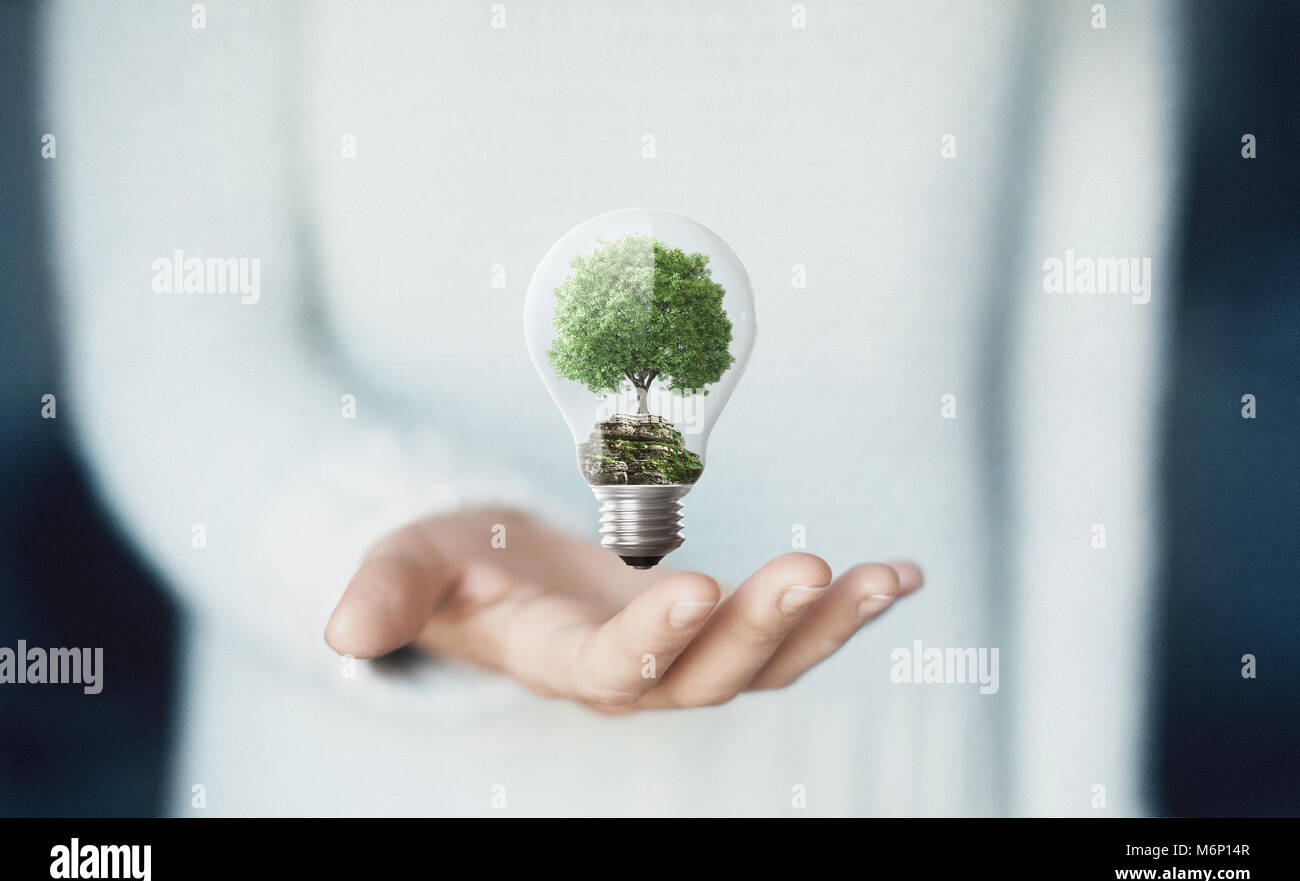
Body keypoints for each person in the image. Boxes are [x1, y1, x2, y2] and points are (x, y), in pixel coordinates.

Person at [44, 0, 1176, 815]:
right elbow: (172, 328)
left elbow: (1080, 401)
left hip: (904, 767)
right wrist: (388, 527)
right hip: (357, 776)